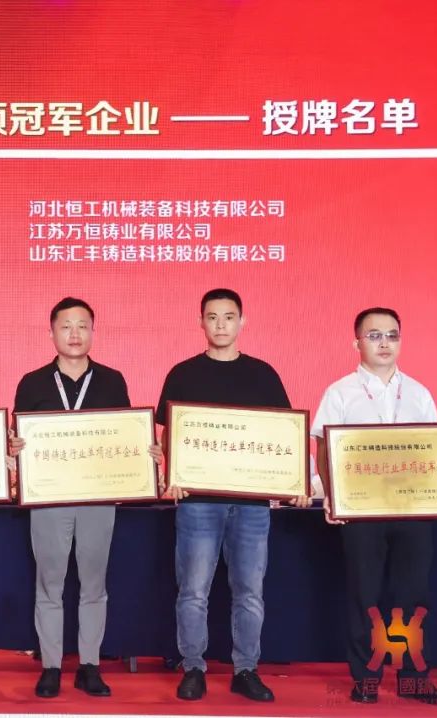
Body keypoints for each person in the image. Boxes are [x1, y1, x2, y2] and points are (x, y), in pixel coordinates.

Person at [155, 288, 306, 703]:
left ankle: (246, 670)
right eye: (212, 317)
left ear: (242, 322)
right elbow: (169, 436)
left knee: (250, 592)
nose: (220, 324)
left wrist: (292, 484)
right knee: (193, 591)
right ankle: (193, 667)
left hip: (252, 505)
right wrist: (173, 475)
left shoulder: (264, 374)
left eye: (228, 317)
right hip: (198, 502)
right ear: (200, 322)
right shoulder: (183, 373)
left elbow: (284, 435)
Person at [312, 307, 437, 705]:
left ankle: (414, 679)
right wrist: (333, 496)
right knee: (365, 597)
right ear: (356, 342)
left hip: (414, 509)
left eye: (392, 335)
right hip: (362, 511)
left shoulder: (419, 393)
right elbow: (323, 447)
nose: (384, 343)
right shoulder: (340, 392)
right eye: (374, 335)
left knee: (413, 598)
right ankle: (366, 679)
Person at [10, 297, 129, 699]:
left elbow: (125, 435)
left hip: (98, 497)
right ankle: (51, 666)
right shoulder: (32, 383)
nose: (74, 334)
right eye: (66, 326)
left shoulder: (113, 381)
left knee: (94, 583)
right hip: (49, 498)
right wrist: (15, 446)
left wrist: (141, 454)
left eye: (82, 326)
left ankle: (90, 665)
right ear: (51, 333)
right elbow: (19, 440)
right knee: (50, 584)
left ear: (93, 331)